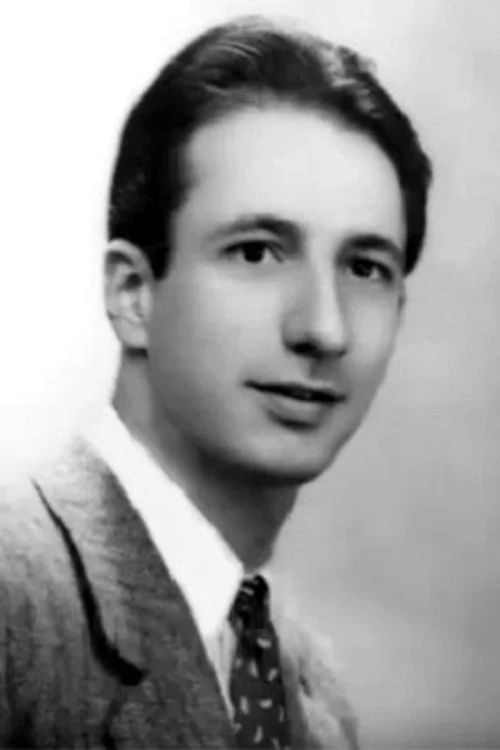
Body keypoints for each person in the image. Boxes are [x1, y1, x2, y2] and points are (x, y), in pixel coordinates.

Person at [0, 15, 432, 750]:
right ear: (133, 294)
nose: (324, 328)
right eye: (257, 252)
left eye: (365, 268)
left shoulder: (312, 694)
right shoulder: (15, 606)